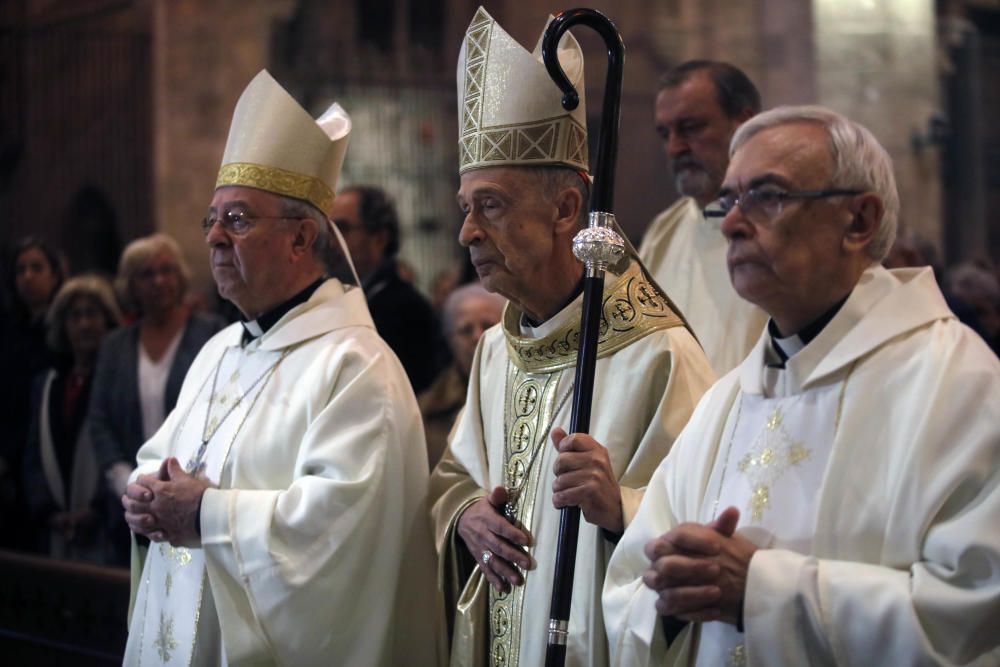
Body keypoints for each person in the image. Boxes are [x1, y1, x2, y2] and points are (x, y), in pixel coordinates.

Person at [603, 106, 1000, 666]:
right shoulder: (726, 402)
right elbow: (630, 585)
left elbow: (976, 618)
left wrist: (763, 593)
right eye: (730, 200)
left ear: (858, 221)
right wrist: (672, 592)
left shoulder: (957, 383)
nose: (733, 224)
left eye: (768, 196)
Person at [120, 70, 439, 666]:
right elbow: (159, 454)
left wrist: (206, 512)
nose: (215, 237)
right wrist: (142, 494)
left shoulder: (357, 369)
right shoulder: (219, 351)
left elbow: (341, 536)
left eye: (238, 219)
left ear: (301, 238)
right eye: (211, 220)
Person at [429, 9, 716, 666]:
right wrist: (466, 512)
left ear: (565, 209)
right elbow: (451, 476)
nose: (467, 232)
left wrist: (621, 506)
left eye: (491, 206)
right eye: (465, 208)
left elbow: (706, 523)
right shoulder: (498, 350)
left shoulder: (657, 354)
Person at [89, 233, 225, 565]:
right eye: (146, 274)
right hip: (126, 499)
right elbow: (99, 417)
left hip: (190, 490)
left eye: (167, 271)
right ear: (131, 285)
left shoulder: (212, 334)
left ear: (180, 278)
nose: (159, 281)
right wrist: (126, 478)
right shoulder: (115, 345)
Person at [639, 61, 768, 376]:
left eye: (691, 127)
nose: (674, 148)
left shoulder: (781, 223)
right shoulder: (663, 232)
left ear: (744, 124)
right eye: (664, 133)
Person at [23, 275, 121, 563]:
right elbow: (33, 457)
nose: (84, 324)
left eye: (92, 314)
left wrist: (96, 509)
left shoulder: (117, 381)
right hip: (54, 528)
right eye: (74, 316)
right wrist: (49, 512)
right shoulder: (48, 384)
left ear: (108, 321)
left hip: (106, 529)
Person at [329, 184, 441, 392]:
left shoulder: (407, 309)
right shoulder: (333, 298)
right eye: (330, 229)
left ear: (379, 238)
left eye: (342, 229)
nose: (331, 241)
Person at [0, 237, 67, 550]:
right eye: (20, 270)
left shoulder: (66, 329)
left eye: (36, 268)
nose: (27, 277)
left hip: (51, 448)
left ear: (55, 275)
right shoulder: (9, 332)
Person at [418, 283, 504, 467]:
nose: (478, 337)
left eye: (489, 326)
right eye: (466, 330)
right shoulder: (427, 410)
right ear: (449, 340)